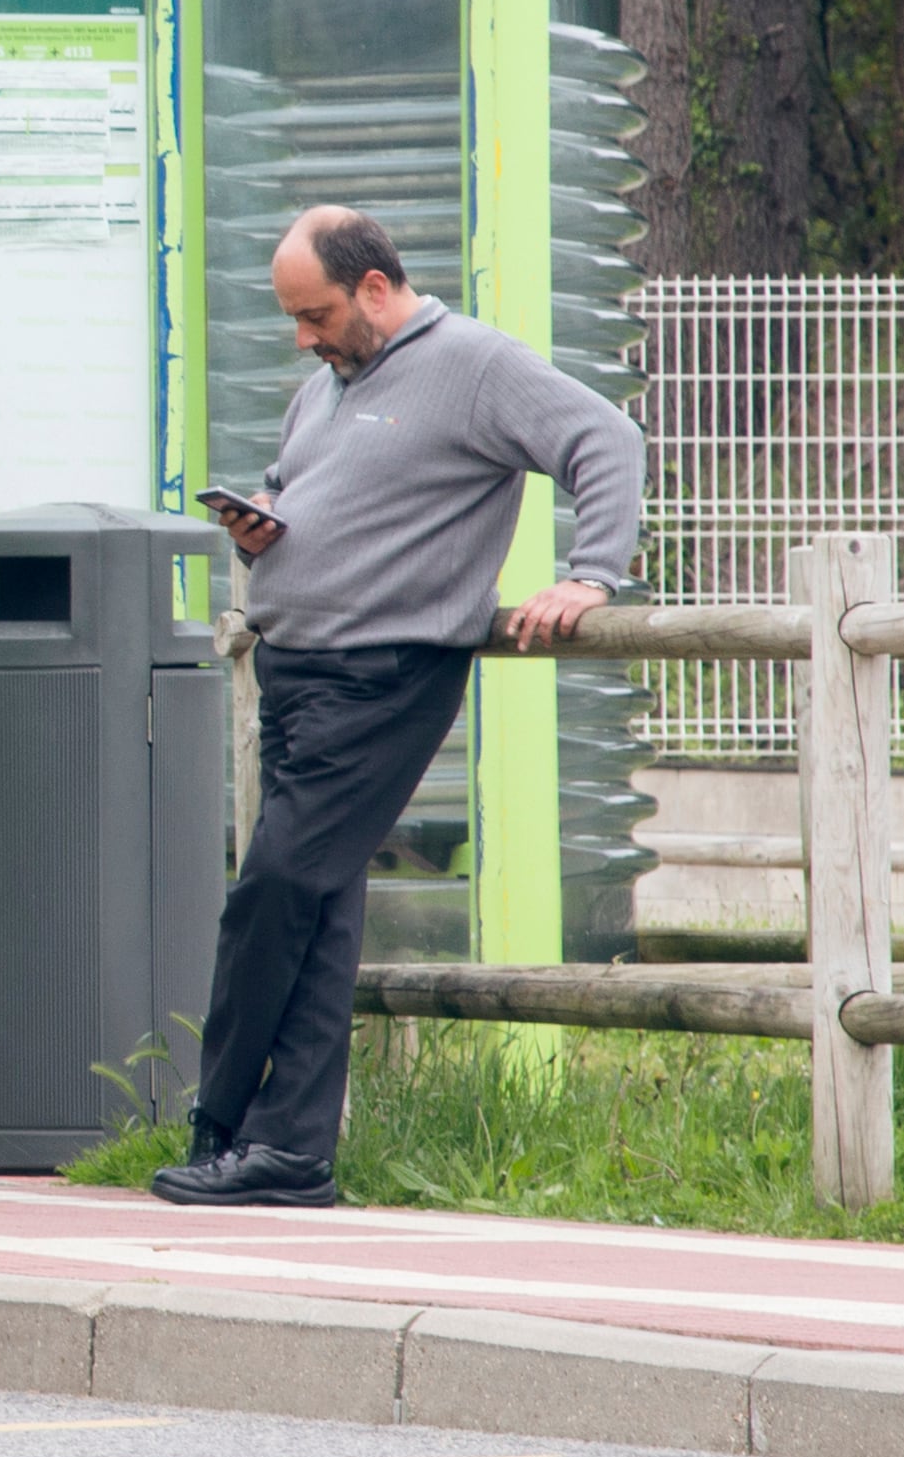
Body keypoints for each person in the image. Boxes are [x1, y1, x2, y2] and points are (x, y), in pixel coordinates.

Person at [156, 205, 644, 1208]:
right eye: (294, 319)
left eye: (316, 314)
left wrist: (590, 573)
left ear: (373, 287)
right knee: (316, 909)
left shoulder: (473, 365)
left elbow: (604, 436)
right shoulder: (326, 387)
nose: (304, 337)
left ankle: (219, 1119)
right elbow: (301, 493)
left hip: (379, 676)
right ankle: (288, 1153)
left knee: (271, 890)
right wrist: (261, 528)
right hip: (295, 671)